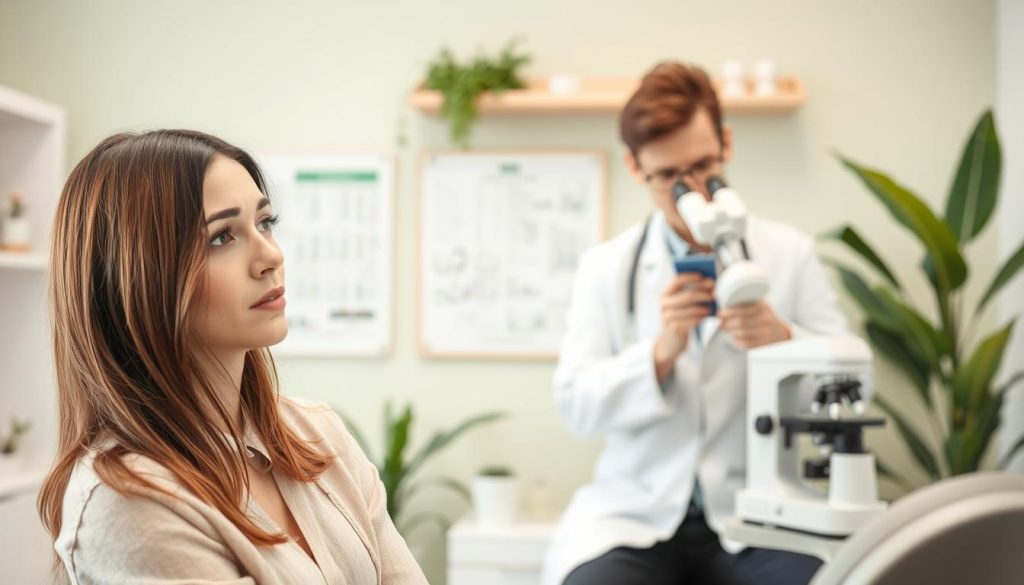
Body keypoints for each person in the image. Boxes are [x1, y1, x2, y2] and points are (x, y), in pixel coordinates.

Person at [37, 130, 428, 585]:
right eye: (222, 237)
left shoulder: (320, 434)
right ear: (138, 280)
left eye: (265, 223)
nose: (270, 256)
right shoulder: (127, 500)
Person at [541, 62, 850, 585]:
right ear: (636, 168)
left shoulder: (789, 254)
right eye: (668, 178)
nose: (694, 193)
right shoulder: (607, 267)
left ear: (726, 144)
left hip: (760, 518)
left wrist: (783, 341)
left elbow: (848, 390)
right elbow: (576, 406)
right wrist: (659, 353)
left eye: (703, 167)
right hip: (636, 517)